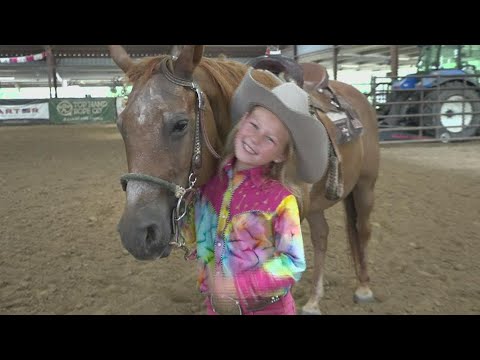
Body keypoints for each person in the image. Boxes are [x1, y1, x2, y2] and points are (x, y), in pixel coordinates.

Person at [181, 68, 329, 315]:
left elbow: (293, 264)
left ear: (281, 155)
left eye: (270, 139)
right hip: (216, 308)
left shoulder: (281, 201)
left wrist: (236, 286)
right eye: (254, 125)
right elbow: (196, 236)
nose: (256, 138)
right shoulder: (209, 186)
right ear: (242, 122)